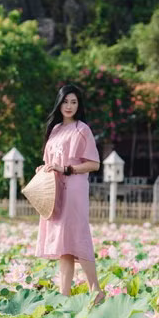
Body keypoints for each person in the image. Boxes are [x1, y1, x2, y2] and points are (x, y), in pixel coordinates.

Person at [34, 84, 103, 304]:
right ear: (59, 103)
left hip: (74, 188)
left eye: (74, 102)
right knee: (64, 244)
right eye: (66, 101)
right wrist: (43, 169)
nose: (69, 106)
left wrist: (67, 169)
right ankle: (64, 296)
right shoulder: (54, 130)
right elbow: (50, 162)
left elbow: (94, 164)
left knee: (78, 236)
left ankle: (96, 289)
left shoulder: (82, 129)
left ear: (78, 105)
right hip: (54, 189)